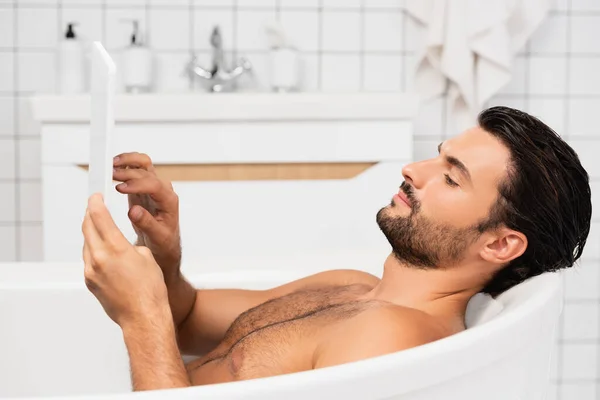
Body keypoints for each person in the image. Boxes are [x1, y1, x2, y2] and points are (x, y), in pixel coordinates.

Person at [81, 106, 591, 391]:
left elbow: (160, 324)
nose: (413, 171)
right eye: (438, 158)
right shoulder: (350, 287)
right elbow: (189, 320)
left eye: (451, 179)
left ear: (501, 244)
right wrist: (163, 255)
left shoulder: (391, 344)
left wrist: (141, 319)